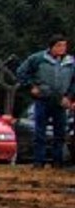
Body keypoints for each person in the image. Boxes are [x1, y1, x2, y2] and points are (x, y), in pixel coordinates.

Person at [17, 35, 74, 168]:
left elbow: (73, 82)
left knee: (60, 133)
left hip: (60, 101)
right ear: (51, 47)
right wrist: (31, 86)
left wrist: (70, 97)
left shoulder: (70, 62)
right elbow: (21, 72)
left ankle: (57, 162)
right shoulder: (37, 59)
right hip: (43, 99)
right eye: (59, 46)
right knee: (40, 132)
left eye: (64, 46)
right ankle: (39, 162)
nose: (62, 49)